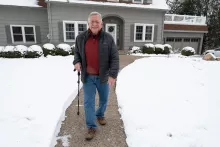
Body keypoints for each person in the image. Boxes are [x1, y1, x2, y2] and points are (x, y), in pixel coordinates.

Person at [73, 11, 119, 141]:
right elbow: (77, 53)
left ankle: (100, 114)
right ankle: (91, 126)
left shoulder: (108, 38)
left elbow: (115, 58)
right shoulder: (80, 38)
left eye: (97, 21)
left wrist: (113, 75)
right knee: (88, 103)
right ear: (88, 23)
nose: (94, 24)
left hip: (103, 77)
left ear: (101, 24)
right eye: (92, 21)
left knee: (104, 99)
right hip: (88, 77)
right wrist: (76, 62)